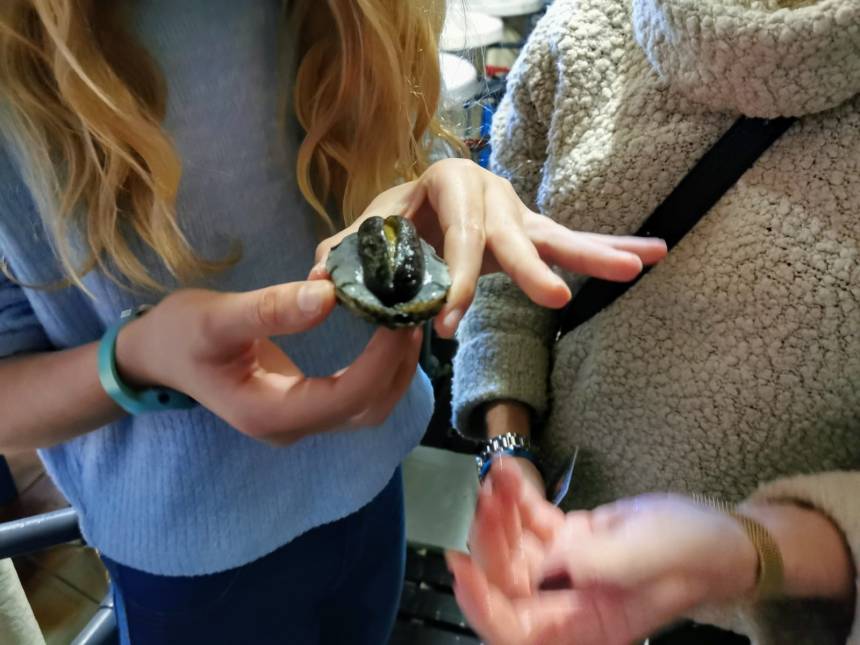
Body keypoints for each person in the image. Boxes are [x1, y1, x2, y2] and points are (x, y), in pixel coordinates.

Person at [0, 1, 669, 643]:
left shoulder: (362, 15)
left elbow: (391, 175)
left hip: (375, 480)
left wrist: (433, 186)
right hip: (189, 553)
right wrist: (136, 358)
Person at [450, 0, 859, 643]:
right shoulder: (575, 37)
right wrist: (508, 450)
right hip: (556, 550)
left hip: (786, 617)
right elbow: (509, 280)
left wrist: (745, 549)